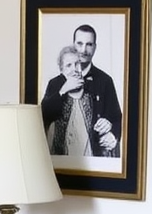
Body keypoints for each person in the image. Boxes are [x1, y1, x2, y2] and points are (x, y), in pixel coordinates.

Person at [41, 22, 121, 156]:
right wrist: (63, 90)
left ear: (95, 47)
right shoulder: (55, 83)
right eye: (79, 43)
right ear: (73, 44)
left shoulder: (105, 80)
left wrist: (113, 133)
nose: (84, 50)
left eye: (89, 44)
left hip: (94, 156)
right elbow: (43, 116)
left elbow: (118, 118)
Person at [45, 47, 98, 157]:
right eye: (69, 65)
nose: (74, 69)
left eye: (77, 64)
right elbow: (44, 114)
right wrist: (63, 90)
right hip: (61, 153)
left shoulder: (92, 87)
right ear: (62, 69)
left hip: (87, 150)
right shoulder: (54, 84)